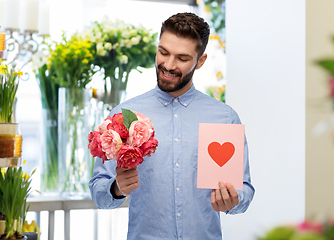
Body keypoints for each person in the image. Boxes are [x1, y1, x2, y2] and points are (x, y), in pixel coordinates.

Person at [89, 12, 255, 240]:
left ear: (201, 61)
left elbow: (244, 190)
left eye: (182, 58)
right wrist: (116, 189)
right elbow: (98, 190)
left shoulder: (224, 117)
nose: (168, 65)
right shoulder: (123, 115)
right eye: (163, 52)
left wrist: (234, 199)